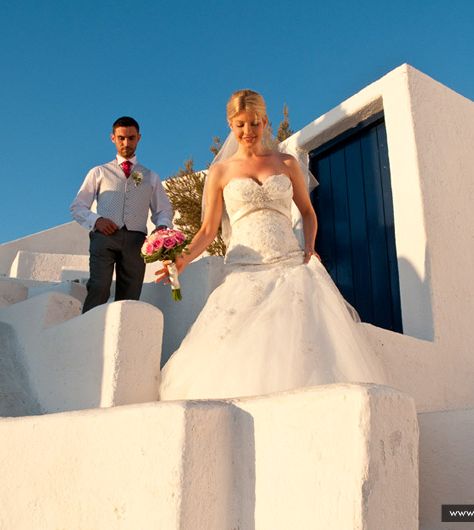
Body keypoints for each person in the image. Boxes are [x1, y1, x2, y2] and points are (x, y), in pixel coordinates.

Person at [156, 90, 385, 400]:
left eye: (254, 124)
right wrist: (182, 259)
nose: (247, 132)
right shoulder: (220, 172)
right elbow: (208, 229)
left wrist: (309, 248)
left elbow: (308, 212)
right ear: (230, 124)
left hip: (290, 263)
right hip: (244, 269)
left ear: (265, 122)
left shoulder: (287, 162)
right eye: (240, 125)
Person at [71, 116, 173, 313]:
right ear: (113, 138)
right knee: (99, 286)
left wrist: (162, 227)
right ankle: (88, 335)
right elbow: (77, 206)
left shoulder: (151, 176)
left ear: (138, 138)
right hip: (104, 238)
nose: (126, 143)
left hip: (137, 241)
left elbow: (163, 210)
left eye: (131, 138)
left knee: (130, 295)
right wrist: (96, 220)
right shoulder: (99, 172)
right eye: (121, 138)